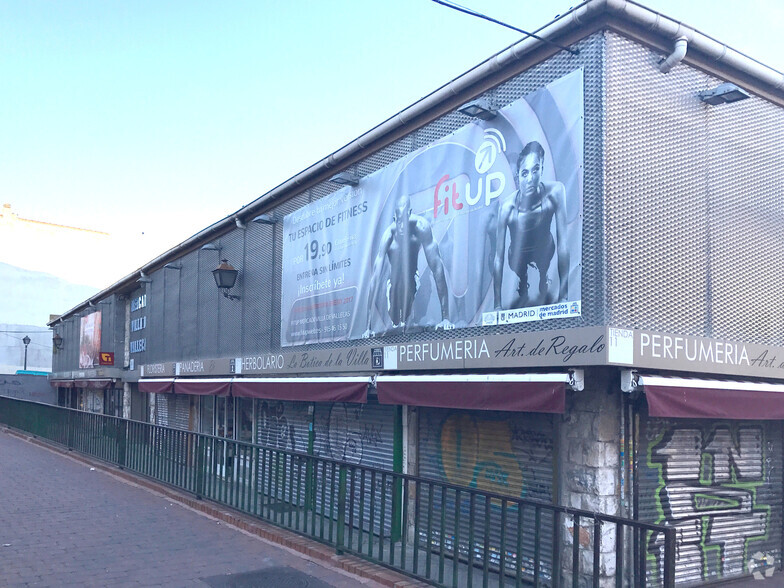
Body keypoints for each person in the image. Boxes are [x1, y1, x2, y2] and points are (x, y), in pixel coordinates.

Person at [363, 194, 453, 337]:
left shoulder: (421, 227)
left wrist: (446, 318)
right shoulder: (388, 236)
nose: (402, 226)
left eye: (404, 220)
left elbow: (437, 268)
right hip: (394, 284)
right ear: (394, 219)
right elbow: (375, 279)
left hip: (414, 280)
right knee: (396, 320)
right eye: (399, 221)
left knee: (415, 321)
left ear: (410, 214)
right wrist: (368, 327)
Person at [493, 141, 569, 309]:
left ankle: (543, 277)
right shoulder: (507, 207)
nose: (530, 179)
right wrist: (496, 305)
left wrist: (564, 296)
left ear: (542, 169)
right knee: (518, 265)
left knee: (546, 261)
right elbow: (498, 258)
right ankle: (523, 280)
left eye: (535, 170)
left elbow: (563, 243)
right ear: (518, 176)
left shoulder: (555, 192)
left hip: (544, 248)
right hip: (517, 254)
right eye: (525, 173)